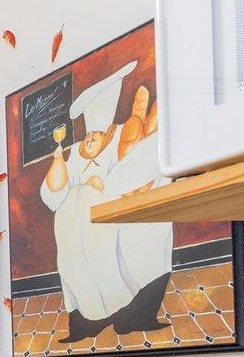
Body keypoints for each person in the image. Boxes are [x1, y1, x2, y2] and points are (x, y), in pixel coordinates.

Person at [40, 62, 172, 342]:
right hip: (74, 239)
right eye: (87, 135)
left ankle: (134, 317)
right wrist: (57, 162)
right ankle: (85, 324)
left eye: (96, 135)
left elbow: (138, 169)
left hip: (111, 231)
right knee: (77, 275)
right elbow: (52, 194)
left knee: (134, 266)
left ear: (109, 132)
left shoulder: (124, 138)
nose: (89, 140)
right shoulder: (73, 152)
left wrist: (105, 186)